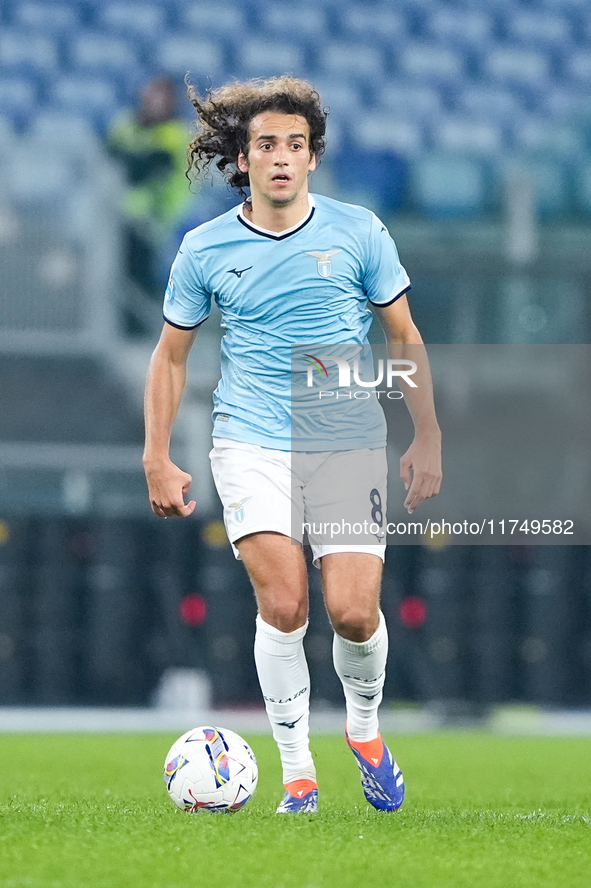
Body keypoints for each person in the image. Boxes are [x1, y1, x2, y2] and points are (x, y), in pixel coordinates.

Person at [143, 76, 442, 814]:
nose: (282, 157)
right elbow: (170, 355)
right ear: (241, 161)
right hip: (248, 440)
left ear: (312, 159)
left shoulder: (359, 232)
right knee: (283, 605)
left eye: (295, 145)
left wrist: (425, 434)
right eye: (267, 145)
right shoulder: (205, 248)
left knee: (352, 614)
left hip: (344, 439)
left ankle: (365, 735)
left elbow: (403, 335)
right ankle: (297, 775)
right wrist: (156, 452)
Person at [107, 76, 194, 298]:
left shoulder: (175, 133)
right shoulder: (125, 124)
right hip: (121, 220)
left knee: (146, 284)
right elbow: (108, 154)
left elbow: (145, 167)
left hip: (158, 221)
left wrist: (129, 156)